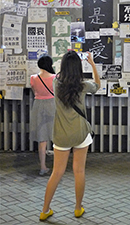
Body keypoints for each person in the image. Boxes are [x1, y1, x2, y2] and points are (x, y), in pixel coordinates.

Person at [39, 50, 100, 221]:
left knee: (57, 172)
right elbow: (98, 85)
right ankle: (78, 208)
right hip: (80, 133)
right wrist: (92, 64)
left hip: (61, 135)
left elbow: (58, 76)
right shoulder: (83, 85)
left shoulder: (55, 84)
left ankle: (45, 210)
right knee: (79, 171)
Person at [30, 54, 56, 176]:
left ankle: (42, 167)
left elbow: (34, 91)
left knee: (42, 138)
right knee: (56, 137)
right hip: (52, 105)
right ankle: (57, 166)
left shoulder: (33, 78)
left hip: (38, 106)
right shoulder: (55, 77)